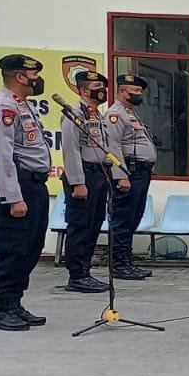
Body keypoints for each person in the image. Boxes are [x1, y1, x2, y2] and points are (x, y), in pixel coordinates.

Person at [0, 54, 53, 331]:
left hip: (33, 185)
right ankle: (1, 309)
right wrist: (13, 197)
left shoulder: (20, 104)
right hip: (17, 187)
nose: (37, 79)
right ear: (21, 77)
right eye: (33, 74)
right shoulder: (2, 107)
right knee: (12, 248)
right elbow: (2, 155)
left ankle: (14, 303)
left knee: (30, 248)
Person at [60, 71, 119, 293]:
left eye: (103, 85)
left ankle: (85, 272)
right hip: (83, 174)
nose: (101, 89)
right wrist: (77, 182)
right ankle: (76, 275)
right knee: (80, 226)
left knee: (93, 225)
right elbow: (71, 150)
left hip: (98, 173)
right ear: (83, 90)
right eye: (96, 85)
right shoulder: (74, 113)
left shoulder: (97, 115)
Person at [105, 74, 156, 280]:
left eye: (140, 91)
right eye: (134, 91)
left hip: (140, 172)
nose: (138, 94)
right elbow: (113, 146)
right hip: (129, 172)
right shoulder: (115, 114)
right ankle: (118, 264)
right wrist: (120, 176)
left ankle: (126, 261)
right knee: (122, 218)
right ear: (122, 91)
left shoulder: (131, 114)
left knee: (134, 217)